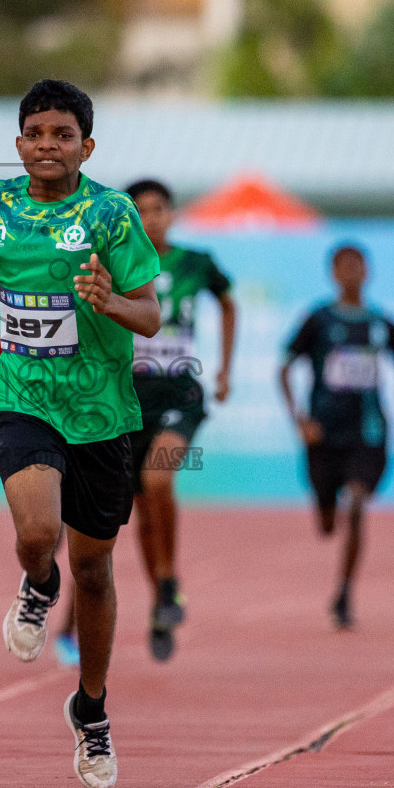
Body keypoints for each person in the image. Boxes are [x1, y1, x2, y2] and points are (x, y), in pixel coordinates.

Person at [0, 79, 160, 788]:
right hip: (22, 393)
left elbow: (148, 316)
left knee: (95, 569)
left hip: (102, 411)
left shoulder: (113, 214)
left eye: (62, 134)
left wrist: (106, 299)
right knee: (36, 532)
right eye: (35, 133)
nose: (47, 146)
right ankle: (35, 581)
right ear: (18, 142)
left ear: (87, 145)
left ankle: (90, 709)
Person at [123, 178, 236, 662]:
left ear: (171, 214)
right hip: (125, 398)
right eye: (140, 210)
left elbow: (228, 301)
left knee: (158, 480)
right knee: (142, 515)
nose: (150, 218)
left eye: (158, 209)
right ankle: (161, 596)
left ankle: (169, 579)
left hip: (178, 393)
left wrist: (227, 366)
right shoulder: (116, 261)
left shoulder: (196, 262)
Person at [278, 244, 394, 630]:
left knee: (355, 504)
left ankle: (344, 592)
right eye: (343, 266)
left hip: (367, 433)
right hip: (323, 433)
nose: (351, 273)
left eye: (358, 266)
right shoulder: (318, 320)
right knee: (326, 522)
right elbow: (284, 368)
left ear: (367, 271)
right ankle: (324, 508)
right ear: (332, 273)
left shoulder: (381, 323)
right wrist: (299, 420)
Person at [0, 338, 79, 669]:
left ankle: (69, 633)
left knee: (90, 554)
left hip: (94, 428)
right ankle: (40, 586)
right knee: (46, 535)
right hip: (39, 430)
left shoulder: (106, 315)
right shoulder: (11, 339)